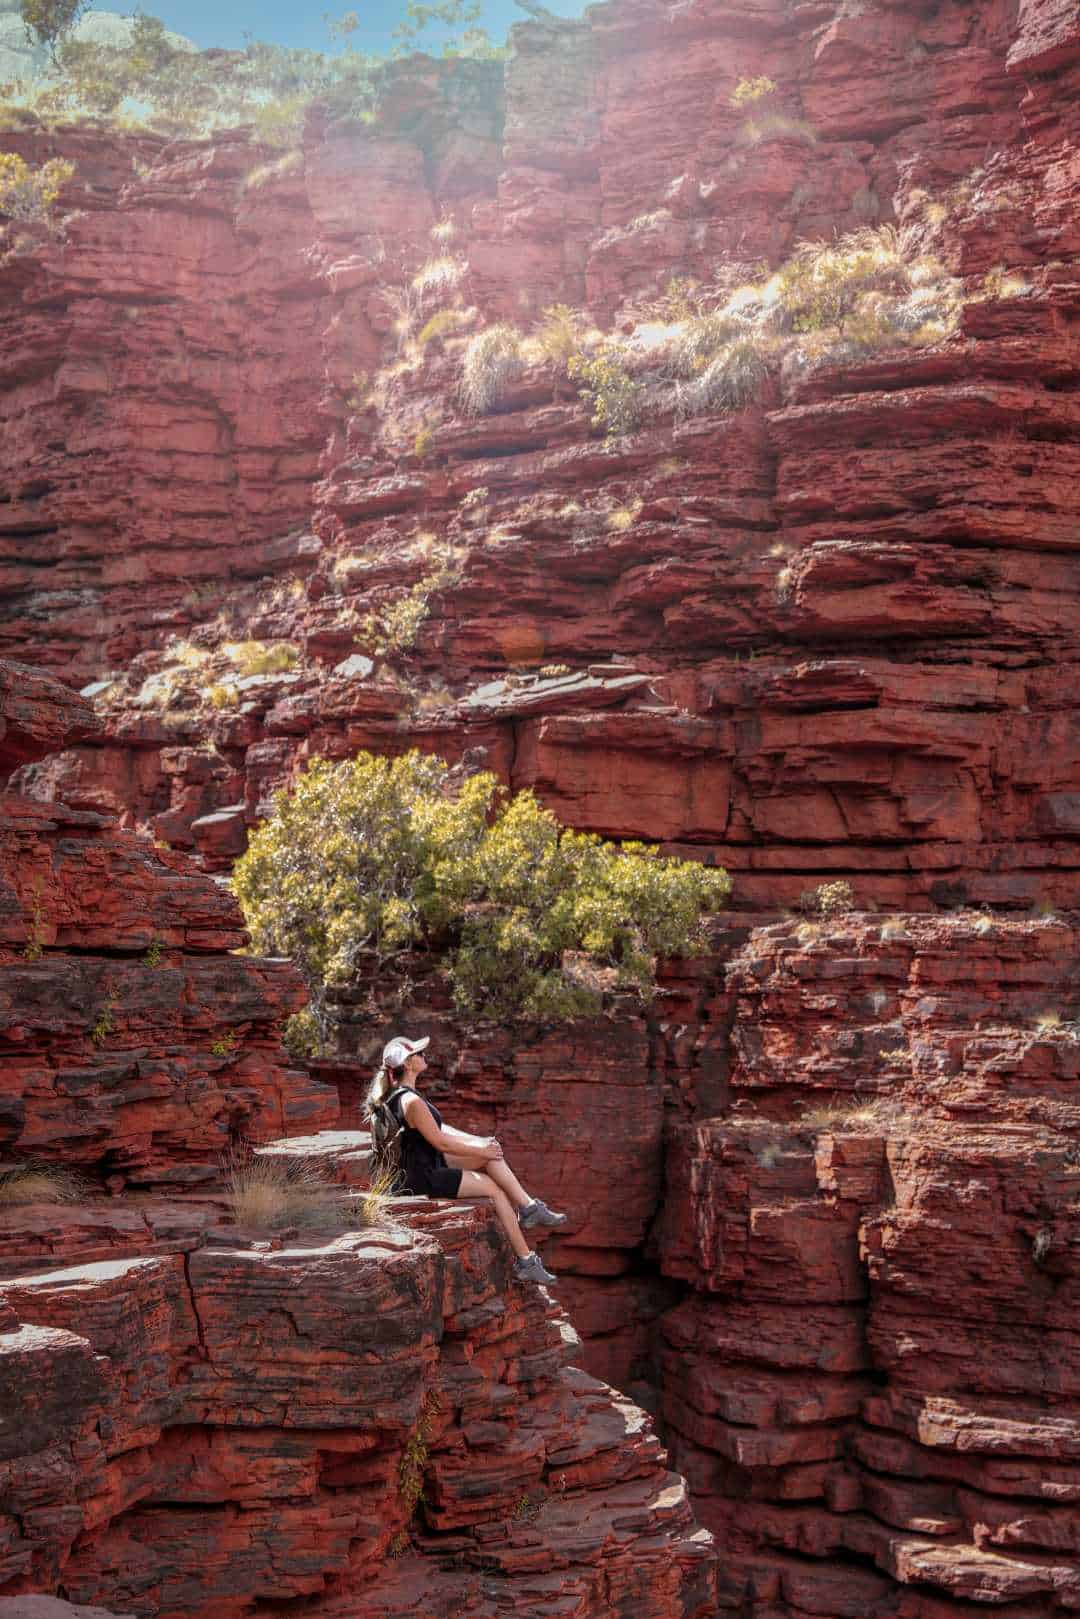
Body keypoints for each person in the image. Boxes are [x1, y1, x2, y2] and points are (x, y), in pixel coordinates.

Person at [365, 1034, 567, 1286]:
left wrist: (480, 1143)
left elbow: (442, 1130)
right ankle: (526, 1260)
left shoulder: (399, 1095)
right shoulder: (412, 1101)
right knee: (494, 1190)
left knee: (491, 1159)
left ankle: (528, 1208)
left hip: (420, 1165)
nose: (424, 1056)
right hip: (422, 1178)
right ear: (407, 1064)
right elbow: (440, 1141)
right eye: (419, 1054)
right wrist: (479, 1151)